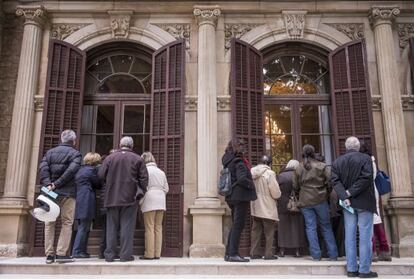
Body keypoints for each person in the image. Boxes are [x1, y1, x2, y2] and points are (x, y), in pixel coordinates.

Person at [331, 137, 377, 278]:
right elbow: (366, 177)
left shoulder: (337, 161)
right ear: (357, 147)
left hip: (347, 204)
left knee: (349, 236)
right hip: (364, 202)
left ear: (346, 147)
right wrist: (349, 193)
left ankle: (351, 269)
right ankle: (364, 270)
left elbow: (335, 181)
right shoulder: (365, 158)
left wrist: (345, 196)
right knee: (364, 236)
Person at [99, 137, 148, 262]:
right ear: (132, 146)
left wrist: (110, 183)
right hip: (130, 197)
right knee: (127, 227)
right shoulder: (138, 159)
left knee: (111, 227)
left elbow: (101, 175)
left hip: (112, 196)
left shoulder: (110, 158)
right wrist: (141, 191)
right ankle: (125, 256)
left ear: (120, 145)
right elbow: (144, 178)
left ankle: (109, 255)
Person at [38, 129, 82, 264]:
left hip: (50, 192)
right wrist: (57, 184)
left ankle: (49, 255)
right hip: (67, 193)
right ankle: (61, 254)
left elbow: (43, 169)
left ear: (62, 139)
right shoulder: (76, 154)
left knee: (49, 222)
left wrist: (49, 185)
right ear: (73, 141)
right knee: (67, 222)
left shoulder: (50, 153)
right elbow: (71, 171)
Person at [293, 144, 338, 261]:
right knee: (326, 227)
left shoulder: (299, 167)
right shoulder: (322, 166)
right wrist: (325, 193)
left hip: (305, 201)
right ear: (313, 152)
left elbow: (295, 186)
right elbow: (330, 182)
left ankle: (316, 255)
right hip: (320, 199)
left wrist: (300, 194)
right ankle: (333, 254)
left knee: (310, 227)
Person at [222, 138, 257, 262]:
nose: (244, 148)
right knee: (238, 225)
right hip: (240, 196)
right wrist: (252, 185)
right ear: (237, 148)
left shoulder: (228, 161)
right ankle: (233, 254)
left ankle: (228, 253)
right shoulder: (239, 161)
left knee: (235, 224)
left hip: (231, 196)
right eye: (242, 146)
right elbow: (242, 179)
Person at [359, 143, 391, 262]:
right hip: (374, 192)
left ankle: (372, 252)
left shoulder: (365, 161)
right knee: (376, 222)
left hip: (367, 192)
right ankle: (384, 249)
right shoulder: (372, 161)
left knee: (368, 224)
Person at [250, 155, 281, 260]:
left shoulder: (252, 172)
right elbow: (275, 193)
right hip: (267, 206)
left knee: (256, 231)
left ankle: (254, 253)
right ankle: (268, 254)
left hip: (255, 205)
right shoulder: (270, 173)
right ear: (269, 163)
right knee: (269, 232)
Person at [72, 152, 102, 258]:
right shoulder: (91, 171)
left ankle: (81, 250)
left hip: (80, 199)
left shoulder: (80, 170)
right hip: (87, 199)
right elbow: (98, 183)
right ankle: (77, 251)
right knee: (84, 227)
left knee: (83, 226)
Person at [139, 152, 169, 260]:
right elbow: (166, 189)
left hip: (149, 199)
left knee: (149, 227)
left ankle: (149, 254)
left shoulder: (145, 170)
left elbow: (143, 186)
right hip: (161, 200)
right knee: (158, 227)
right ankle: (157, 253)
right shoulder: (161, 172)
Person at [277, 159, 307, 258]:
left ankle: (282, 250)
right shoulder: (299, 175)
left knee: (283, 227)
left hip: (282, 204)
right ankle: (297, 251)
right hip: (296, 204)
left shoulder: (280, 176)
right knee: (297, 227)